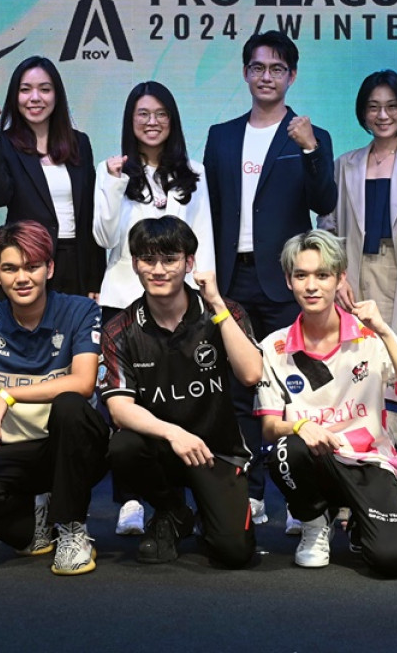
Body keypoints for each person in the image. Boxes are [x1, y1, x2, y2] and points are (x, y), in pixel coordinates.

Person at [203, 30, 338, 524]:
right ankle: (251, 492)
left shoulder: (311, 135)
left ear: (292, 76)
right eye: (258, 67)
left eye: (277, 69)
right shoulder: (220, 136)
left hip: (285, 282)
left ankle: (302, 499)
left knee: (293, 386)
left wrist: (309, 150)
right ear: (245, 72)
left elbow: (324, 201)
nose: (267, 77)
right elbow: (210, 208)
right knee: (240, 389)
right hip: (232, 280)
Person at [0, 221, 109, 576]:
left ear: (49, 268)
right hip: (19, 451)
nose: (22, 278)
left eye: (32, 266)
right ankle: (36, 525)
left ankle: (72, 527)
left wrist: (9, 395)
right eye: (10, 268)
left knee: (69, 404)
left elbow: (84, 382)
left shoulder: (79, 310)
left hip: (75, 447)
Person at [255, 229, 397, 577]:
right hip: (316, 459)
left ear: (340, 278)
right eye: (301, 276)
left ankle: (359, 522)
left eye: (322, 275)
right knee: (286, 451)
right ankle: (314, 521)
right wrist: (301, 425)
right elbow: (270, 428)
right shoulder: (273, 346)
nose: (311, 286)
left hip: (369, 462)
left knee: (391, 560)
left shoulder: (371, 336)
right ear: (288, 281)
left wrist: (384, 330)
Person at [102, 217, 259, 567]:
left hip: (217, 452)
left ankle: (208, 513)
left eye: (170, 259)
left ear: (189, 263)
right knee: (122, 446)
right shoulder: (119, 329)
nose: (158, 270)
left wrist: (217, 305)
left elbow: (251, 374)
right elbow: (119, 409)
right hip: (161, 448)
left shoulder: (225, 311)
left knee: (234, 553)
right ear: (135, 264)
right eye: (148, 259)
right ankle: (172, 510)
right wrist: (174, 434)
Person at [94, 81, 214, 535]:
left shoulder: (194, 173)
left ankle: (177, 497)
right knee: (125, 403)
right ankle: (129, 500)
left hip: (178, 305)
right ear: (130, 120)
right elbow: (104, 237)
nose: (151, 122)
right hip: (121, 300)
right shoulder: (112, 170)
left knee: (177, 401)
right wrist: (113, 182)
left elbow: (202, 239)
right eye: (142, 114)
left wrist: (207, 295)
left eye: (161, 113)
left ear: (172, 120)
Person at [320, 69, 397, 332]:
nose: (382, 115)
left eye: (392, 107)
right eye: (373, 107)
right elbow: (328, 228)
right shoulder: (344, 164)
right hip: (355, 270)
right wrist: (336, 277)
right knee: (361, 346)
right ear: (363, 113)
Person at [0, 56, 103, 300]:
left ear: (57, 95)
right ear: (15, 97)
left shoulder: (79, 143)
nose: (35, 98)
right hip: (27, 261)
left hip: (76, 262)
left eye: (44, 89)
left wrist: (95, 277)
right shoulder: (4, 144)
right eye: (25, 90)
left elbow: (91, 211)